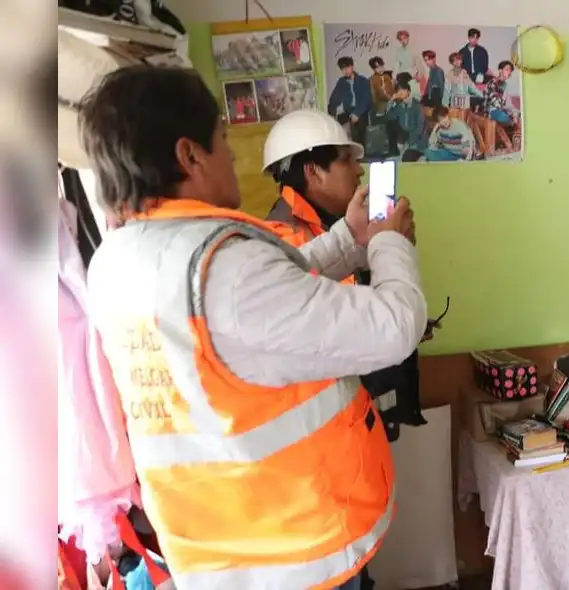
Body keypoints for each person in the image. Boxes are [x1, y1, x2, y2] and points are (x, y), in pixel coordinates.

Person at [78, 64, 427, 590]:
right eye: (222, 137)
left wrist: (351, 237)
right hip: (290, 549)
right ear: (188, 154)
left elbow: (265, 297)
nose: (234, 153)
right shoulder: (226, 269)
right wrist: (387, 240)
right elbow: (395, 326)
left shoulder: (120, 259)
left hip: (220, 544)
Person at [261, 109, 430, 590]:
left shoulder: (325, 231)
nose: (358, 171)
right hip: (313, 476)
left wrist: (370, 243)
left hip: (340, 450)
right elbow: (367, 328)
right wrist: (388, 243)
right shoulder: (283, 237)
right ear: (312, 172)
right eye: (345, 161)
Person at [327, 56, 372, 146]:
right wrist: (333, 112)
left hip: (360, 111)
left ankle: (361, 152)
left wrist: (357, 113)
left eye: (347, 68)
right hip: (347, 111)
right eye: (342, 69)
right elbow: (333, 99)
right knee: (337, 128)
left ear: (352, 66)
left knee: (359, 127)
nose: (345, 71)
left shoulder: (363, 81)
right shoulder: (341, 82)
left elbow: (367, 99)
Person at [385, 73, 428, 162]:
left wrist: (409, 143)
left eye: (403, 90)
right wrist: (391, 101)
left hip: (417, 140)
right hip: (405, 138)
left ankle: (420, 156)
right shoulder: (398, 105)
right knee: (390, 124)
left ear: (408, 91)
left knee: (407, 159)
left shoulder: (416, 106)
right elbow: (389, 117)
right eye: (398, 91)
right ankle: (396, 152)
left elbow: (419, 128)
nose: (400, 92)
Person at [393, 30, 423, 100]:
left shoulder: (414, 49)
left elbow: (419, 64)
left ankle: (406, 94)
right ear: (399, 41)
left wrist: (420, 75)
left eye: (405, 38)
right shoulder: (398, 51)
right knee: (398, 80)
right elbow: (397, 65)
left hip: (411, 72)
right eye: (401, 39)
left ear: (408, 38)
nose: (403, 41)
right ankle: (402, 97)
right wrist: (393, 78)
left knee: (402, 79)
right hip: (401, 74)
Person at [483, 61, 516, 125]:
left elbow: (507, 104)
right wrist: (510, 115)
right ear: (500, 70)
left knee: (518, 115)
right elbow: (496, 104)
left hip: (500, 110)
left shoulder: (505, 85)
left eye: (510, 71)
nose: (509, 72)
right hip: (491, 111)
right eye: (507, 69)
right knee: (503, 116)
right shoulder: (493, 82)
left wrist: (513, 114)